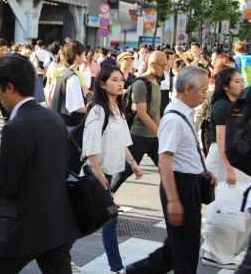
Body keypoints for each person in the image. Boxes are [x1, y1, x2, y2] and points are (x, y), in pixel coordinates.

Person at [0, 53, 80, 273]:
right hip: (56, 221)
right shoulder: (53, 117)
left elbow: (6, 184)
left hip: (22, 225)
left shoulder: (16, 127)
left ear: (10, 87)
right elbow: (70, 162)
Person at [126, 66, 216, 274]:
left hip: (189, 183)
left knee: (178, 248)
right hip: (180, 186)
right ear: (187, 89)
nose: (205, 95)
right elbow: (165, 160)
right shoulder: (174, 118)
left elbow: (186, 150)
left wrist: (202, 170)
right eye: (203, 90)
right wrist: (174, 200)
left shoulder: (184, 113)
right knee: (184, 251)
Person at [82, 65, 143, 274]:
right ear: (102, 84)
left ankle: (59, 253)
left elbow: (123, 141)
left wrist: (133, 163)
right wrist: (99, 174)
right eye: (114, 80)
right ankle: (116, 268)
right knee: (109, 218)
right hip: (95, 173)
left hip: (105, 172)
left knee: (86, 219)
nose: (120, 83)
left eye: (121, 79)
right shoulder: (98, 110)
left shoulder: (117, 108)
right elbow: (90, 144)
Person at [200, 67, 250, 269]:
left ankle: (221, 250)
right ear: (226, 85)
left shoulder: (236, 105)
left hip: (236, 159)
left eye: (241, 80)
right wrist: (228, 168)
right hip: (223, 160)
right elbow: (221, 141)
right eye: (237, 81)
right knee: (226, 208)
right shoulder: (222, 106)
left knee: (240, 208)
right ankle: (216, 253)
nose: (241, 84)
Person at [111, 51, 167, 194]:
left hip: (154, 136)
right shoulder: (141, 83)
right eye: (162, 65)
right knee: (125, 170)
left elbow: (155, 113)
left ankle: (174, 200)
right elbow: (142, 113)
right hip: (139, 135)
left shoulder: (157, 82)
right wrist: (160, 132)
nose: (164, 69)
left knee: (167, 169)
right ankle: (107, 196)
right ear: (152, 64)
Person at [51, 41, 90, 128]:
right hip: (69, 124)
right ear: (76, 56)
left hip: (60, 121)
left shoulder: (63, 73)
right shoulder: (73, 78)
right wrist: (93, 108)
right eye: (83, 54)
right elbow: (77, 108)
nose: (84, 57)